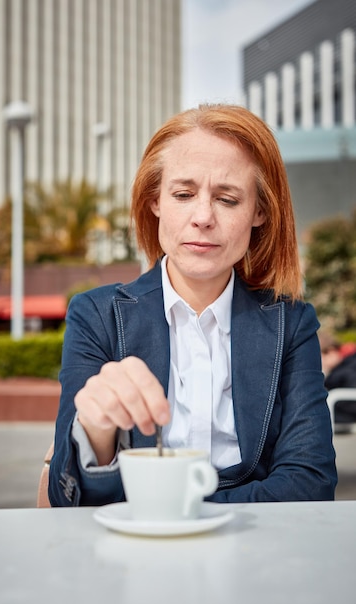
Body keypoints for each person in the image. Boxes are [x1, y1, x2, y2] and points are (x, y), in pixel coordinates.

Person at [49, 103, 337, 506]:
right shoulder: (96, 317)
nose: (203, 216)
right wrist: (97, 433)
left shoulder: (292, 323)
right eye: (183, 194)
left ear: (259, 212)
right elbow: (70, 500)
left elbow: (309, 482)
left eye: (228, 199)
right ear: (155, 202)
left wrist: (175, 511)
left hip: (257, 554)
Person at [319, 331, 356, 429]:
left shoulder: (349, 369)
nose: (320, 362)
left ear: (331, 351)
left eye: (321, 356)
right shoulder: (344, 367)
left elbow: (351, 405)